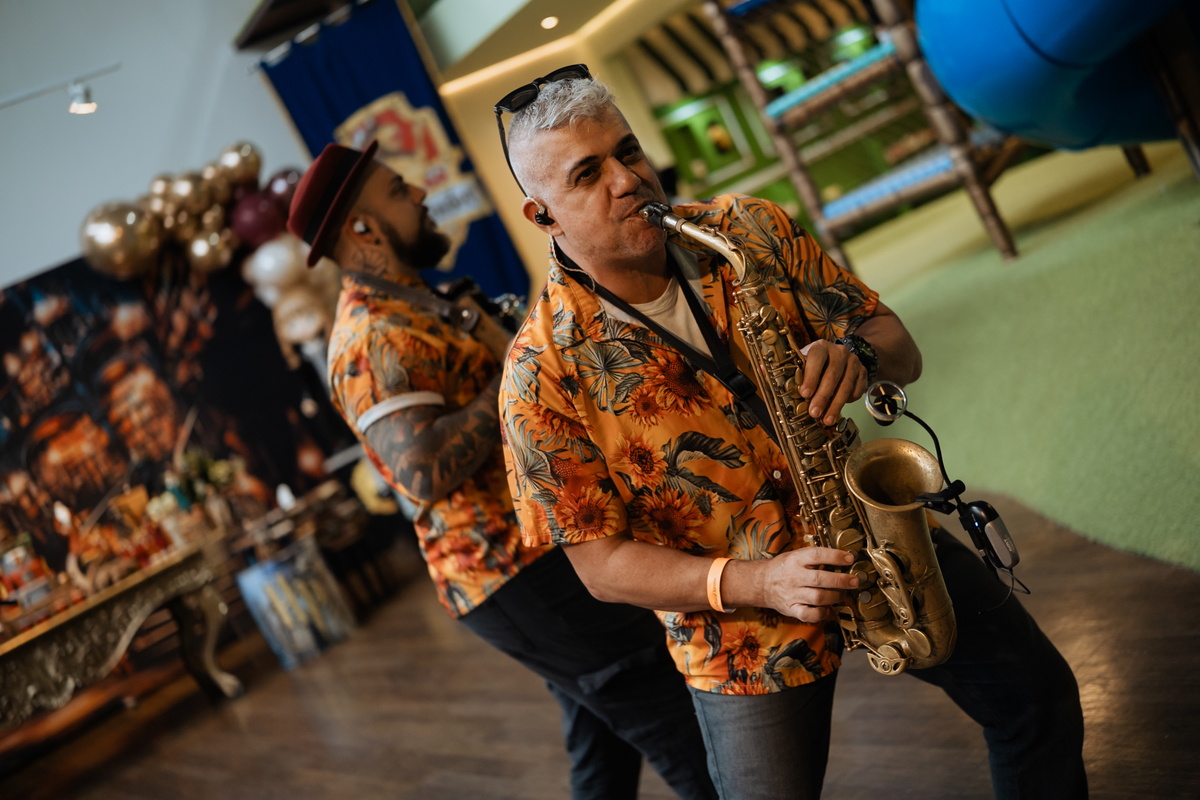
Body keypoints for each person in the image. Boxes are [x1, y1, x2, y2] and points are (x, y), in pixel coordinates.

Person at [495, 67, 1088, 800]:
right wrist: (757, 581)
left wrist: (860, 356)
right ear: (541, 213)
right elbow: (600, 565)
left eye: (630, 151)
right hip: (740, 628)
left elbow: (897, 343)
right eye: (588, 173)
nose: (628, 180)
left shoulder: (751, 230)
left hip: (875, 537)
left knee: (1040, 701)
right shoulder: (537, 374)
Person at [285, 142, 717, 800]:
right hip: (516, 574)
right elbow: (422, 473)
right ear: (363, 228)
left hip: (538, 549)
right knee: (679, 725)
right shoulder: (371, 339)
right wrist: (519, 378)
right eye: (400, 192)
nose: (422, 194)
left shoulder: (420, 302)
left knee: (602, 745)